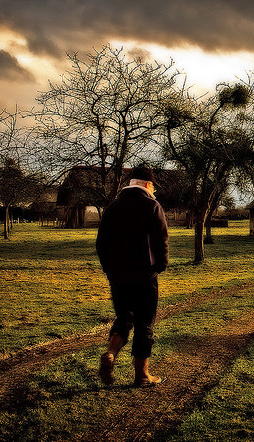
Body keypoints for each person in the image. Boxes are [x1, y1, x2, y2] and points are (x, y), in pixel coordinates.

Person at [96, 166, 169, 387]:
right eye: (153, 185)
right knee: (144, 323)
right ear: (147, 185)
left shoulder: (112, 207)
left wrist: (110, 270)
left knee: (124, 319)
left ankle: (110, 353)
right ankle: (142, 375)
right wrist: (160, 266)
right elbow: (161, 240)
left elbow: (101, 244)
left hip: (118, 277)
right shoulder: (151, 205)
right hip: (145, 276)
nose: (154, 189)